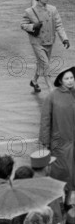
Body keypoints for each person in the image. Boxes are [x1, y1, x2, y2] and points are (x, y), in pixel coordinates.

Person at [21, 0, 69, 92]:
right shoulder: (29, 11)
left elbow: (59, 25)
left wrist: (64, 39)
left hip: (49, 41)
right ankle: (50, 88)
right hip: (37, 42)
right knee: (46, 64)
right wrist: (33, 26)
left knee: (41, 63)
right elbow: (23, 25)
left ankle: (34, 81)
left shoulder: (53, 9)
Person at [39, 66, 75, 199]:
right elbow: (45, 119)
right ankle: (58, 200)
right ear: (60, 80)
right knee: (60, 173)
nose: (70, 81)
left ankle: (68, 201)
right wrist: (45, 140)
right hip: (60, 143)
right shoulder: (52, 96)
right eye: (67, 78)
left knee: (73, 173)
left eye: (72, 78)